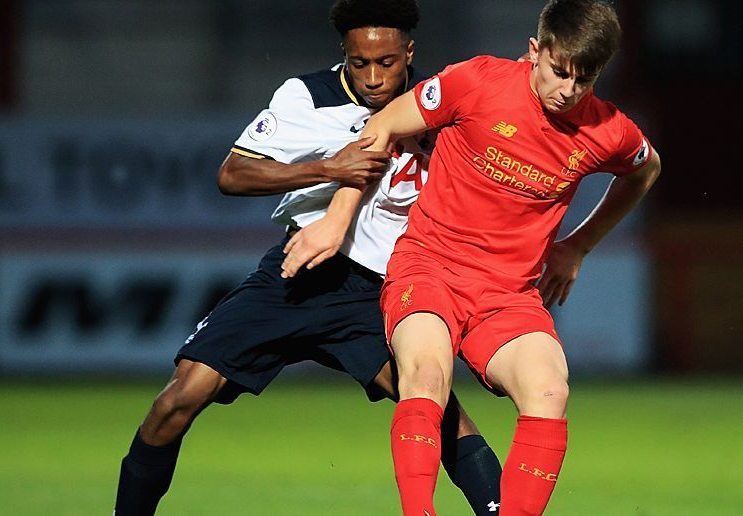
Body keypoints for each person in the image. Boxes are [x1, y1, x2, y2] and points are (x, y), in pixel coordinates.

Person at [114, 1, 502, 514]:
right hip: (297, 275)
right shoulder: (306, 96)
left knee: (437, 412)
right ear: (344, 53)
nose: (371, 77)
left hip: (378, 292)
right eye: (358, 62)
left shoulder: (440, 103)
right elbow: (233, 175)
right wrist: (329, 168)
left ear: (409, 51)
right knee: (177, 399)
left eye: (385, 63)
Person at [282, 1, 662, 514]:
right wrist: (337, 218)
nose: (568, 90)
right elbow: (385, 124)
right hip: (429, 267)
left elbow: (645, 169)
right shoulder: (477, 81)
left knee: (549, 390)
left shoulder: (607, 130)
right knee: (427, 378)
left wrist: (578, 245)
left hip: (507, 294)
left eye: (584, 79)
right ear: (535, 51)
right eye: (559, 71)